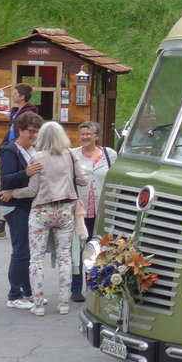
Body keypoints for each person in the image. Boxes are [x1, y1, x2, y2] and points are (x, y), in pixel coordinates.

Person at [0, 121, 88, 315]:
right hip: (65, 209)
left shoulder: (37, 157)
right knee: (65, 257)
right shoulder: (71, 155)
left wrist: (13, 193)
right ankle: (63, 303)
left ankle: (38, 303)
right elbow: (83, 180)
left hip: (42, 210)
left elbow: (32, 190)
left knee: (36, 258)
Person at [0, 83, 41, 239]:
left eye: (14, 93)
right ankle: (1, 225)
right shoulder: (16, 113)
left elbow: (12, 140)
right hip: (11, 150)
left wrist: (0, 154)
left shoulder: (25, 115)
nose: (12, 96)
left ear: (22, 96)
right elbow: (8, 137)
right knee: (3, 187)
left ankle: (2, 227)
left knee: (5, 185)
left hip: (18, 154)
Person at [0, 111, 44, 309]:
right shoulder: (11, 151)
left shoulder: (33, 150)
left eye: (36, 132)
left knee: (30, 251)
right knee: (21, 251)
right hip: (15, 207)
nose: (33, 135)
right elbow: (6, 179)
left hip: (27, 205)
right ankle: (14, 295)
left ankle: (28, 291)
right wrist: (25, 172)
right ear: (20, 130)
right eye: (30, 132)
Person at [70, 121, 116, 303]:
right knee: (78, 249)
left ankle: (96, 286)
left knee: (99, 249)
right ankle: (75, 288)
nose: (85, 137)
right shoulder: (72, 155)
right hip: (80, 211)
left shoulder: (109, 154)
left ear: (97, 136)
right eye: (82, 134)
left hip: (101, 210)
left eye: (89, 134)